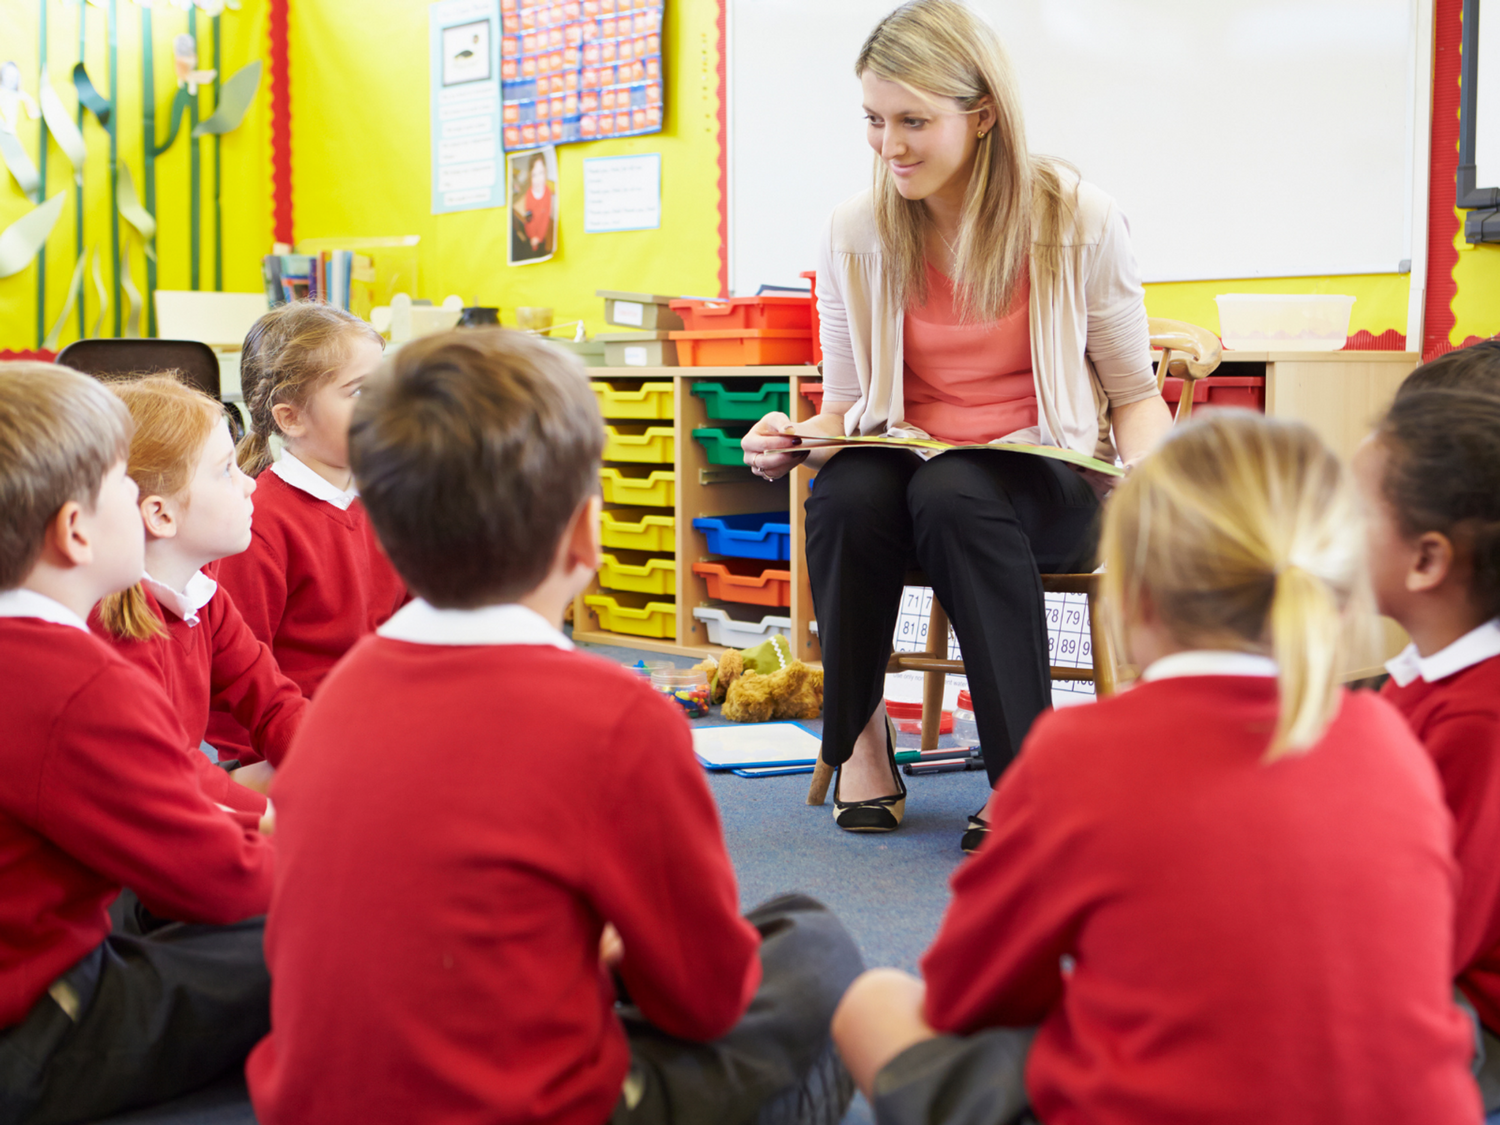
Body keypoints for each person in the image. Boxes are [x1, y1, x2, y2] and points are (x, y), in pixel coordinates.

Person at [246, 329, 864, 1125]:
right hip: (531, 1100)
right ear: (584, 536)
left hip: (318, 1102)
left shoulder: (334, 702)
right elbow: (705, 1002)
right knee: (812, 946)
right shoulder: (621, 719)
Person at [831, 411, 1481, 1125]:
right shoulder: (1389, 735)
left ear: (1132, 595)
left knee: (873, 1002)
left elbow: (968, 994)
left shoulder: (1077, 753)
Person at [739, 0, 1173, 851]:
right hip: (913, 475)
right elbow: (850, 403)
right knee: (846, 488)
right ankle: (864, 740)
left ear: (980, 118)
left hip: (1044, 486)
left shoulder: (1079, 220)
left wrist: (1167, 503)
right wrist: (792, 436)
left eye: (913, 121)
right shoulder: (853, 231)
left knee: (954, 488)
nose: (888, 145)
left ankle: (1026, 775)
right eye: (873, 119)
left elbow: (1132, 394)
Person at [0, 362, 274, 1125]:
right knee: (321, 929)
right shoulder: (69, 679)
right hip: (37, 1035)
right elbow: (221, 882)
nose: (136, 495)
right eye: (123, 480)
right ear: (75, 530)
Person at [1354, 386, 1500, 1112]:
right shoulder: (1417, 677)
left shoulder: (1481, 715)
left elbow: (1448, 932)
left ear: (1426, 561)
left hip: (1470, 1011)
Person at [207, 301, 406, 763]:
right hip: (293, 749)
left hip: (377, 724)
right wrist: (254, 772)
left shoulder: (389, 502)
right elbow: (233, 674)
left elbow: (416, 629)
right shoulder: (257, 525)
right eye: (359, 393)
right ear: (290, 418)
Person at [90, 374, 307, 793]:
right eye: (226, 471)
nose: (248, 483)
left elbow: (273, 702)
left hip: (182, 783)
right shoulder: (117, 628)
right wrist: (272, 817)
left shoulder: (200, 592)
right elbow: (163, 777)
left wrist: (331, 758)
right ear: (161, 515)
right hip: (148, 799)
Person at [512, 151, 554, 260]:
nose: (538, 179)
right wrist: (532, 236)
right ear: (530, 175)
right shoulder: (529, 194)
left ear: (545, 172)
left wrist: (539, 237)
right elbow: (529, 218)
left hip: (541, 236)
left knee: (541, 253)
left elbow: (545, 219)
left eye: (541, 173)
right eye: (535, 175)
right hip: (530, 235)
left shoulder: (547, 193)